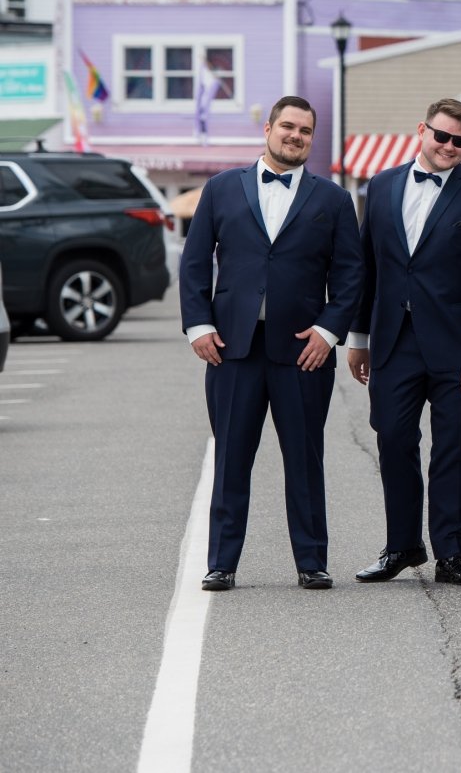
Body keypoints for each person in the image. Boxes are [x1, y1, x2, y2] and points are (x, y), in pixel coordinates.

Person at [180, 95, 362, 592]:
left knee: (304, 459)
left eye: (305, 131)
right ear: (267, 129)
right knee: (232, 457)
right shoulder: (220, 189)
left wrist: (328, 332)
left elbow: (350, 274)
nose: (295, 136)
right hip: (232, 349)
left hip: (303, 353)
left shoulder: (333, 200)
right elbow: (195, 261)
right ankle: (222, 562)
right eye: (288, 127)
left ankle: (311, 561)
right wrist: (198, 326)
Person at [347, 98, 461, 586]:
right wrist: (359, 337)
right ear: (422, 130)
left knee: (452, 450)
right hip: (394, 344)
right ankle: (401, 546)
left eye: (460, 141)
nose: (449, 147)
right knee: (394, 439)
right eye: (441, 136)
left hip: (460, 351)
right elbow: (367, 267)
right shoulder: (380, 186)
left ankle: (452, 553)